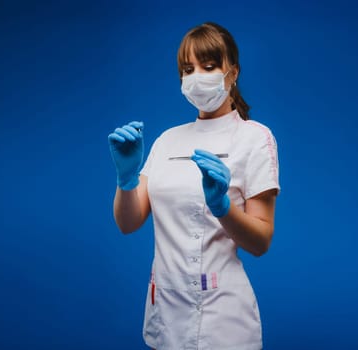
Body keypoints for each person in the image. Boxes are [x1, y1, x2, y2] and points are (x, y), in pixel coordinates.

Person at [108, 22, 280, 350]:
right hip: (166, 313)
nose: (197, 76)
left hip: (224, 318)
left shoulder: (255, 138)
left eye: (209, 66)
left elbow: (260, 242)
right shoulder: (167, 141)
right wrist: (126, 179)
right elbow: (128, 223)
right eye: (188, 69)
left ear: (232, 73)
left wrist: (223, 208)